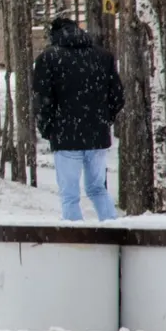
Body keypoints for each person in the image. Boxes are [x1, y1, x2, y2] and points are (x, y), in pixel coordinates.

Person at [32, 16, 125, 222]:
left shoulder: (48, 58)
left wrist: (47, 127)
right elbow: (117, 96)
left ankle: (74, 236)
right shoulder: (103, 56)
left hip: (65, 134)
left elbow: (42, 98)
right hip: (97, 134)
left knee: (69, 194)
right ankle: (113, 230)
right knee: (97, 188)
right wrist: (104, 119)